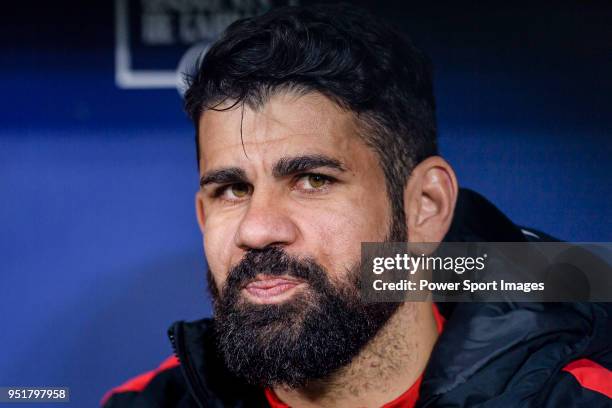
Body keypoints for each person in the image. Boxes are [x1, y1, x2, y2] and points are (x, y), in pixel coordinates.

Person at [102, 4, 612, 407]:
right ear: (202, 214)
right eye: (232, 190)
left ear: (426, 206)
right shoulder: (146, 402)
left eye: (312, 180)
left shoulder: (577, 396)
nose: (256, 230)